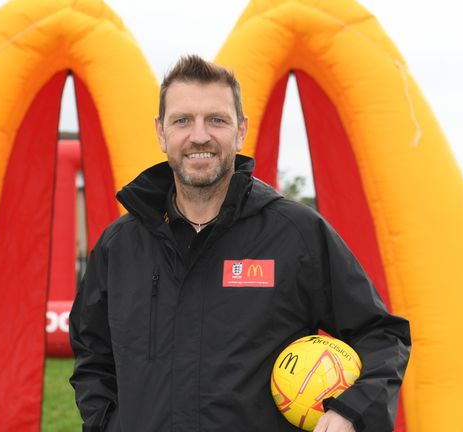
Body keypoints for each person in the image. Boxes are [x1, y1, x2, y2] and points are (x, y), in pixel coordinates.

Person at [69, 55, 411, 432]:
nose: (199, 136)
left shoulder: (295, 234)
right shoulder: (119, 247)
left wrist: (352, 410)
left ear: (241, 130)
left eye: (216, 120)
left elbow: (382, 334)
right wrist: (106, 423)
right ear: (161, 133)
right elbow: (92, 355)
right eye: (182, 120)